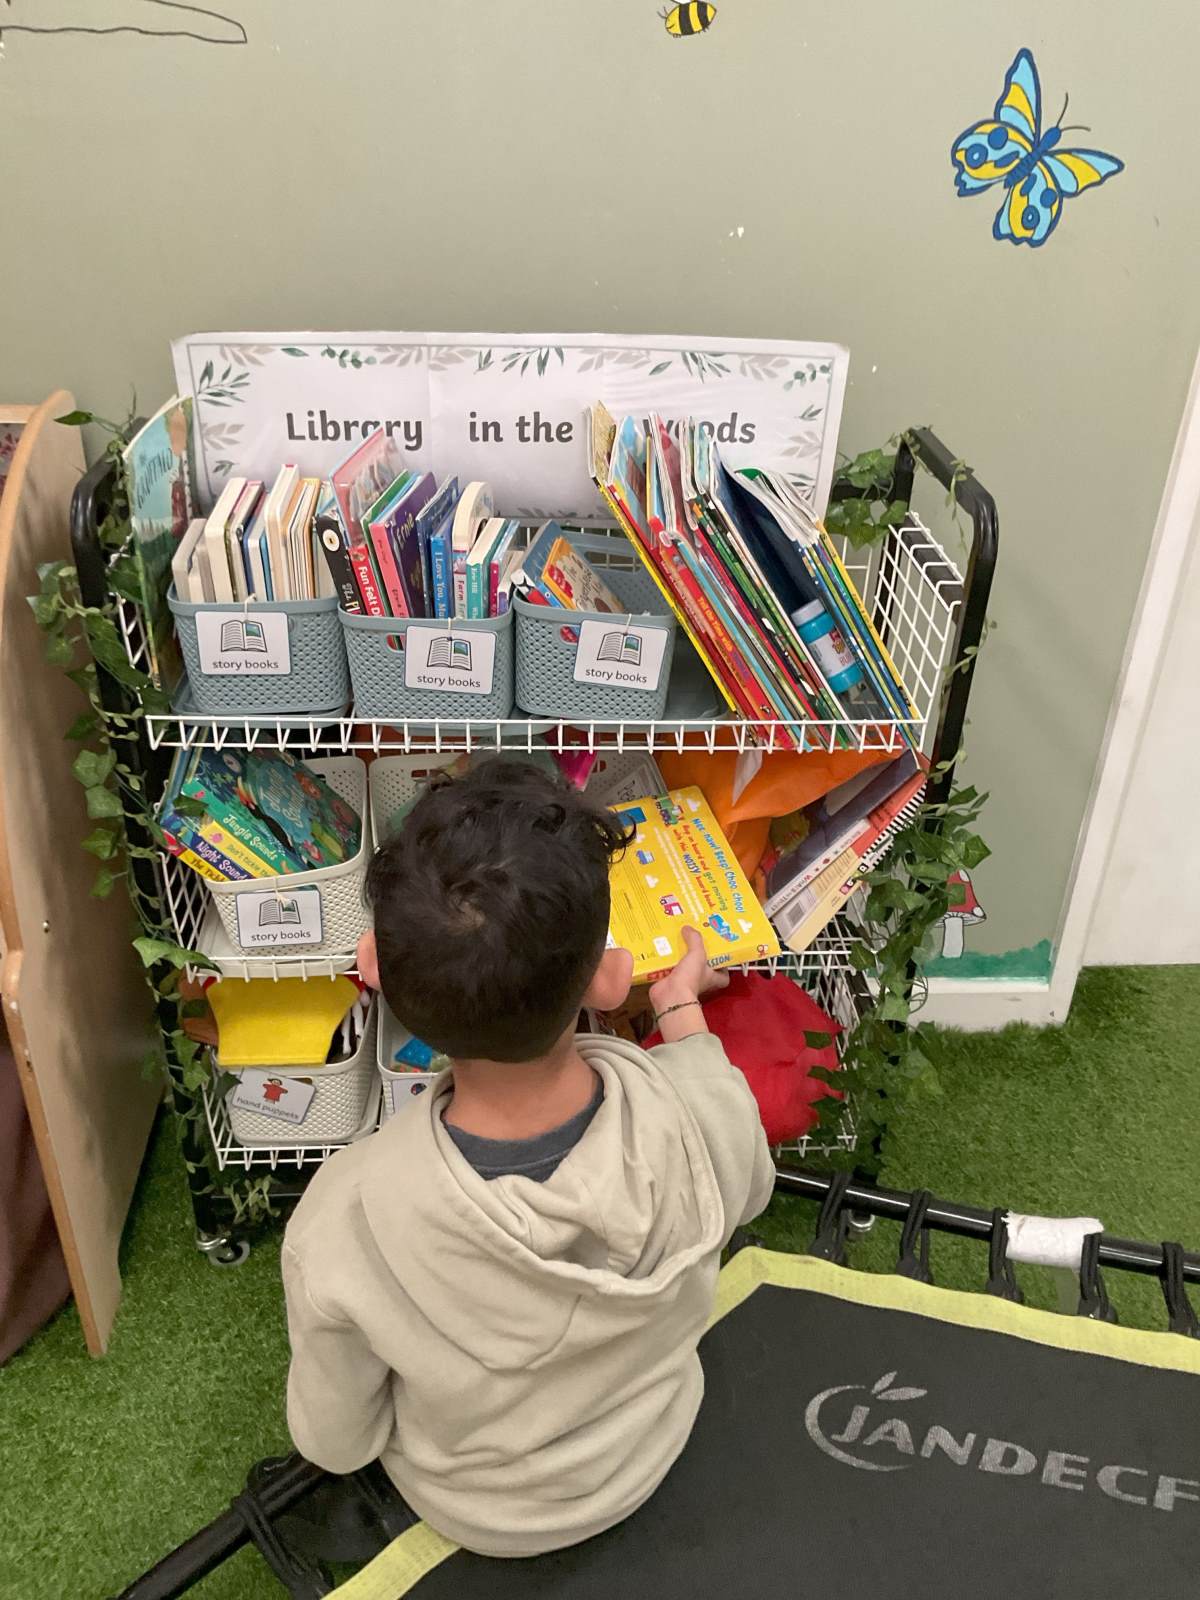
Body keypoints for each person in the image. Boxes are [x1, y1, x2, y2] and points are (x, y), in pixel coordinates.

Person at [281, 757, 774, 1559]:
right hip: (651, 1445)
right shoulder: (696, 1110)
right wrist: (680, 1005)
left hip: (480, 1512)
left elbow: (337, 1442)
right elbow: (746, 1184)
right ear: (610, 980)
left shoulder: (344, 1216)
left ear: (373, 971)